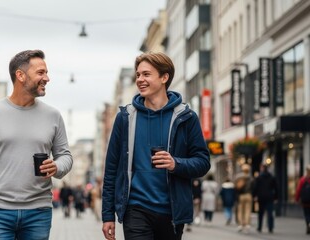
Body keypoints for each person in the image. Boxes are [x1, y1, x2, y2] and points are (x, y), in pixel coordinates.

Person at [0, 49, 73, 240]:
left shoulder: (53, 116)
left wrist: (57, 166)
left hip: (38, 212)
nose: (47, 78)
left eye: (46, 72)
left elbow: (66, 157)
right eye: (40, 73)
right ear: (20, 75)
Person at [101, 52, 211, 240]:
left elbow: (203, 162)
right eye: (138, 75)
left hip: (172, 212)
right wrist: (107, 215)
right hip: (135, 209)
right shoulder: (125, 118)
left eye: (146, 74)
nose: (140, 80)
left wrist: (175, 163)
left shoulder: (186, 117)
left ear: (164, 77)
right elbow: (112, 168)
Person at [253, 163, 278, 233]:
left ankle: (259, 227)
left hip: (261, 197)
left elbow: (255, 188)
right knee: (270, 213)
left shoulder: (259, 177)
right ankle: (270, 227)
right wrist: (276, 197)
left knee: (261, 213)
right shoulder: (272, 177)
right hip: (270, 197)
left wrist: (254, 196)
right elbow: (276, 188)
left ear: (262, 168)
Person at [234, 163, 253, 234]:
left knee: (240, 210)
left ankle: (241, 224)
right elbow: (253, 186)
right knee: (248, 210)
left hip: (241, 195)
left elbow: (235, 186)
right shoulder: (250, 177)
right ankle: (247, 224)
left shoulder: (239, 177)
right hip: (248, 195)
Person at [295, 164, 310, 234]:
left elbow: (298, 190)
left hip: (305, 201)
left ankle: (308, 224)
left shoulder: (303, 180)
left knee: (306, 214)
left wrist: (297, 199)